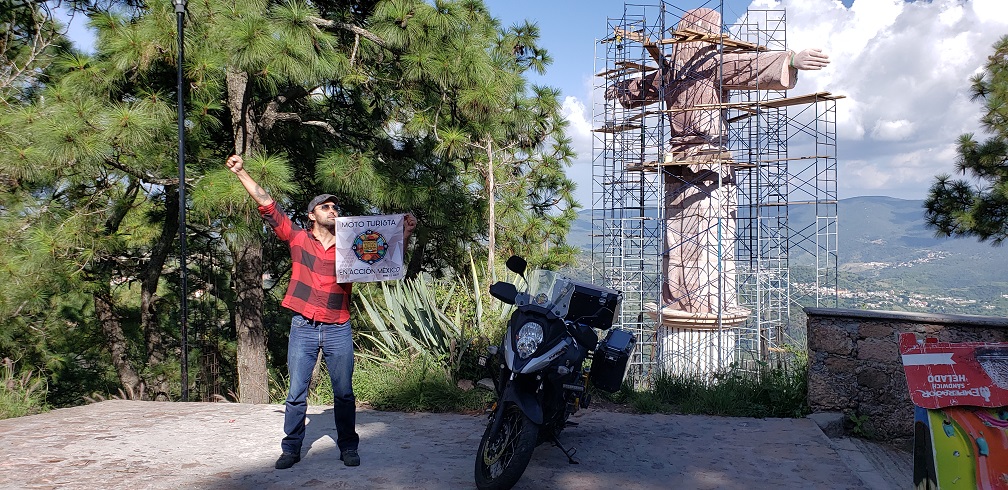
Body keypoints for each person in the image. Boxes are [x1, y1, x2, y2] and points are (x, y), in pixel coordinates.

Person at [605, 7, 829, 325]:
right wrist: (791, 59)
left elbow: (637, 89)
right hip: (707, 164)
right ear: (711, 33)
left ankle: (689, 299)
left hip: (679, 164)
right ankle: (703, 301)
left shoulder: (670, 71)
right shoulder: (709, 63)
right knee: (707, 239)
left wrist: (617, 89)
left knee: (682, 240)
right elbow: (751, 66)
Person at [225, 154, 417, 470]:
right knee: (297, 393)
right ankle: (291, 449)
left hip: (338, 326)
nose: (332, 210)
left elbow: (386, 262)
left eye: (334, 207)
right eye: (325, 206)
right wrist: (241, 172)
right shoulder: (298, 238)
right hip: (303, 324)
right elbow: (268, 205)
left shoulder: (352, 247)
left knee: (344, 394)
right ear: (311, 215)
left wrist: (405, 234)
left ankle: (348, 447)